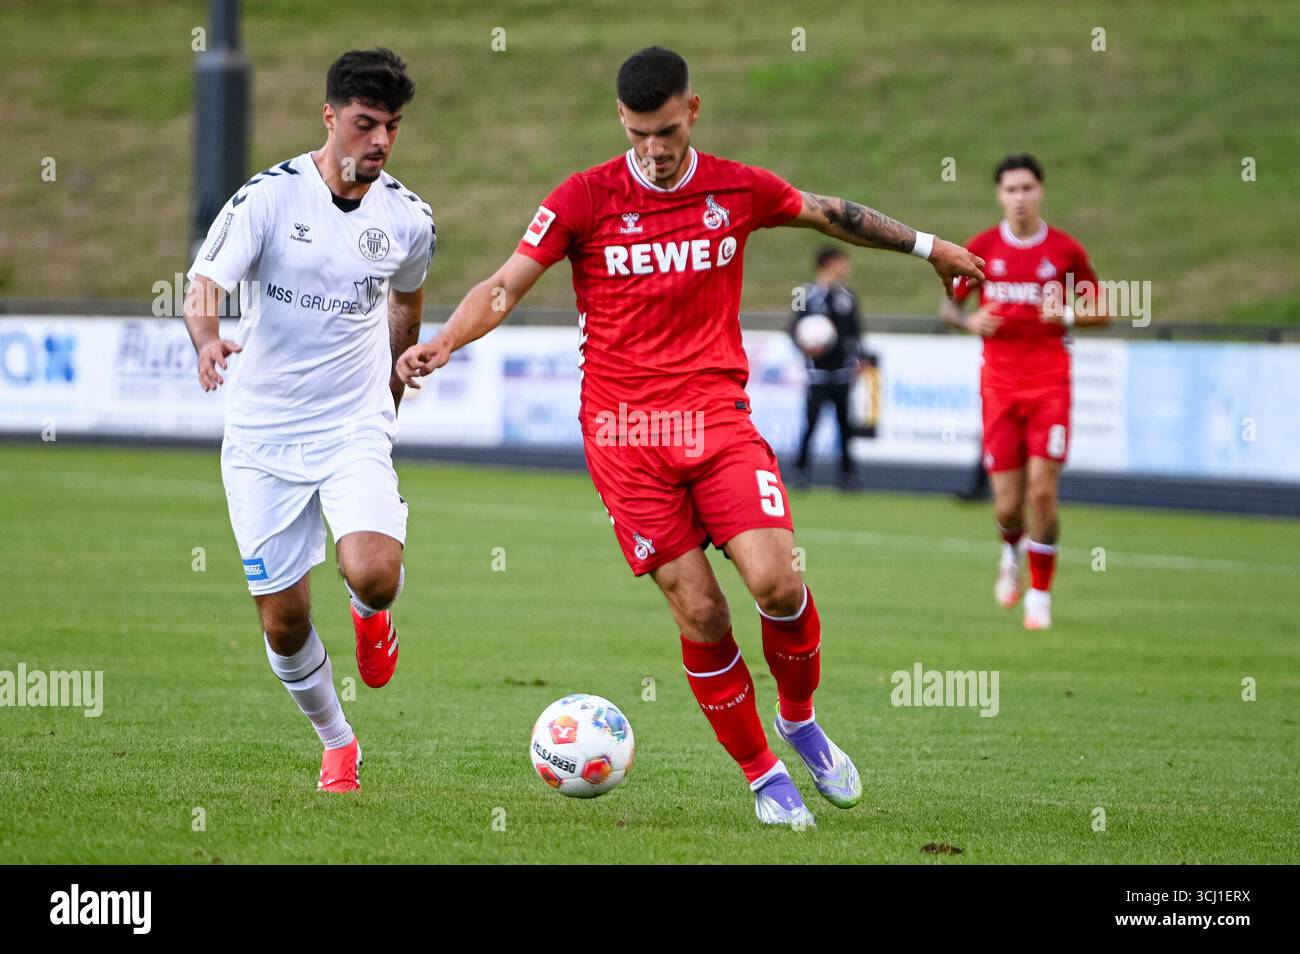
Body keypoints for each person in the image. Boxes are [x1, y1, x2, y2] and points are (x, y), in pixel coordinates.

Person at [398, 47, 984, 825]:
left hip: (716, 422)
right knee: (703, 614)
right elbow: (506, 283)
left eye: (667, 130)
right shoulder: (583, 198)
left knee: (778, 581)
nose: (654, 148)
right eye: (640, 133)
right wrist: (446, 340)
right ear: (622, 121)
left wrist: (930, 247)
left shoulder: (737, 187)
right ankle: (763, 775)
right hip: (624, 437)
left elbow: (827, 211)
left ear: (693, 111)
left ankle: (799, 720)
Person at [183, 49, 436, 792]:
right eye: (365, 124)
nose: (380, 141)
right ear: (330, 117)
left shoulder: (409, 217)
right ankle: (338, 741)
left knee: (376, 573)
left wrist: (396, 377)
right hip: (261, 435)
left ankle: (369, 611)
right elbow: (203, 287)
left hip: (352, 422)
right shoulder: (268, 198)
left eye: (391, 126)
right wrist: (206, 342)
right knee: (283, 622)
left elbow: (408, 303)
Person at [940, 154, 1107, 630]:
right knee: (1007, 505)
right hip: (998, 389)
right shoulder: (982, 248)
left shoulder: (1065, 251)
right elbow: (947, 306)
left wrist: (1069, 316)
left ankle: (1040, 593)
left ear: (1041, 191)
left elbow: (1103, 306)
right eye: (1011, 189)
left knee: (1042, 492)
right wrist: (968, 320)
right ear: (999, 195)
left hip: (1050, 385)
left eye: (1027, 188)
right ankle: (1010, 553)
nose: (1020, 197)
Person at [790, 246, 864, 489]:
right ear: (829, 263)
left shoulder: (848, 296)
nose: (846, 268)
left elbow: (856, 333)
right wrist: (805, 347)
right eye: (843, 262)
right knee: (811, 422)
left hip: (843, 373)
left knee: (845, 425)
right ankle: (800, 471)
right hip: (817, 373)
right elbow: (793, 328)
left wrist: (860, 359)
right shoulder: (803, 293)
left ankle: (847, 475)